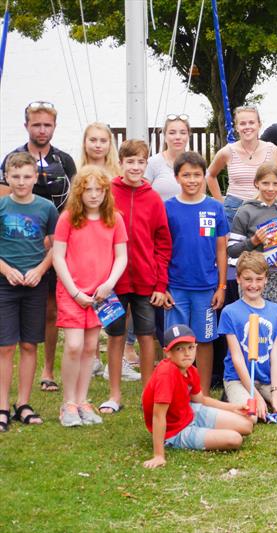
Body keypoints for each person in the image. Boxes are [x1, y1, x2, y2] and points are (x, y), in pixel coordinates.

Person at [2, 102, 77, 395]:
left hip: (54, 243)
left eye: (47, 125)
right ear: (26, 126)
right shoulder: (13, 159)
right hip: (22, 243)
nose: (41, 130)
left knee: (50, 310)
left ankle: (47, 371)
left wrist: (55, 239)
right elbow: (6, 204)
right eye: (36, 125)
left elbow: (72, 203)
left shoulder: (65, 160)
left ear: (54, 127)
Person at [52, 165, 127, 427]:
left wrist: (108, 284)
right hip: (73, 292)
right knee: (73, 346)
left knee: (88, 349)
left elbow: (121, 256)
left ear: (107, 192)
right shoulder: (68, 218)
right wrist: (74, 291)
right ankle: (68, 403)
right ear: (79, 192)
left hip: (99, 296)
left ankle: (83, 401)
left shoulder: (114, 219)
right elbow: (58, 256)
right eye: (88, 190)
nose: (94, 195)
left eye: (99, 190)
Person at [102, 140, 172, 414]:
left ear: (146, 165)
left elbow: (163, 243)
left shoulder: (153, 197)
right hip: (113, 281)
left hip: (145, 280)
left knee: (145, 336)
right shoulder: (109, 192)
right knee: (116, 335)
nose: (135, 167)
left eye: (140, 162)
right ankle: (114, 394)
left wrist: (160, 283)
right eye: (129, 161)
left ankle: (148, 393)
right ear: (121, 163)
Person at [0, 153, 59, 431]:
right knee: (6, 346)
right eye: (16, 177)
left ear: (35, 178)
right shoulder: (2, 206)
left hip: (35, 285)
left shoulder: (46, 208)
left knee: (28, 344)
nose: (21, 182)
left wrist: (40, 270)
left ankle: (22, 404)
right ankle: (1, 405)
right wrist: (6, 270)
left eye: (27, 177)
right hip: (5, 285)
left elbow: (56, 246)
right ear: (7, 178)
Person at [142, 324, 253, 469]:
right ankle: (176, 441)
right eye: (179, 349)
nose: (186, 353)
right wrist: (158, 455)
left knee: (247, 426)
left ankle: (204, 430)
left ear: (195, 347)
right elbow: (158, 416)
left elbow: (201, 400)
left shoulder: (191, 369)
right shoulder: (166, 374)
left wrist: (234, 407)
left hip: (189, 412)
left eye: (190, 347)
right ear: (167, 352)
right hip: (174, 430)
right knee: (234, 439)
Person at [164, 151, 229, 395]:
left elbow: (221, 249)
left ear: (204, 176)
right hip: (176, 287)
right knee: (177, 341)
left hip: (206, 288)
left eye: (197, 175)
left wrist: (221, 286)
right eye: (186, 175)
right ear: (177, 177)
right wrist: (162, 287)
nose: (192, 180)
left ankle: (200, 392)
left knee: (204, 340)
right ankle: (177, 390)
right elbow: (160, 249)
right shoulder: (168, 208)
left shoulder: (214, 208)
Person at [218, 251, 277, 422]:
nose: (253, 285)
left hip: (266, 379)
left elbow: (276, 355)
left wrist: (275, 392)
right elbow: (236, 358)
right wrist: (255, 395)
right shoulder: (230, 312)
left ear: (266, 279)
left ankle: (266, 401)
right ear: (238, 279)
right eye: (248, 279)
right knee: (251, 418)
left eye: (259, 279)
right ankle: (233, 396)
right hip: (238, 378)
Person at [77, 122, 124, 381]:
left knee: (115, 301)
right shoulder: (78, 172)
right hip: (88, 245)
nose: (97, 145)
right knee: (91, 299)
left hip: (113, 242)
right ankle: (92, 355)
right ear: (85, 143)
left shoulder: (117, 175)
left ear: (110, 144)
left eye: (102, 140)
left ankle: (117, 358)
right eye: (92, 140)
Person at [227, 161, 277, 307]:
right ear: (256, 183)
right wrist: (253, 241)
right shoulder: (245, 211)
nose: (270, 188)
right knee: (249, 323)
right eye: (265, 183)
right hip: (250, 278)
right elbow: (232, 250)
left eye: (275, 184)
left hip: (276, 278)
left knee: (273, 322)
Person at [207, 106, 277, 225]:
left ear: (259, 124)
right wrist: (220, 203)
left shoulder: (272, 150)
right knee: (233, 244)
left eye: (251, 122)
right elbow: (209, 175)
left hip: (264, 209)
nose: (247, 127)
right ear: (236, 127)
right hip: (234, 211)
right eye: (242, 123)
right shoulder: (227, 151)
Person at [145, 114, 190, 201]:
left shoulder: (196, 163)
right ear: (165, 137)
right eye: (172, 133)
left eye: (183, 133)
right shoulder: (152, 163)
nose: (178, 137)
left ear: (188, 136)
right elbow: (142, 196)